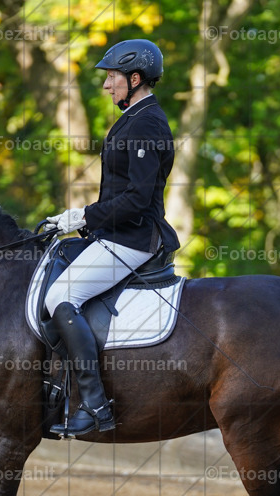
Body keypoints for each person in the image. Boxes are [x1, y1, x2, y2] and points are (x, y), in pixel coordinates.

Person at [44, 38, 180, 437]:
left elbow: (137, 200)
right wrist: (84, 223)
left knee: (60, 297)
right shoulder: (133, 117)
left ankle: (94, 403)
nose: (106, 86)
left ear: (135, 79)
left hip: (134, 239)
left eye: (112, 78)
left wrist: (82, 215)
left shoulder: (148, 123)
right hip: (115, 233)